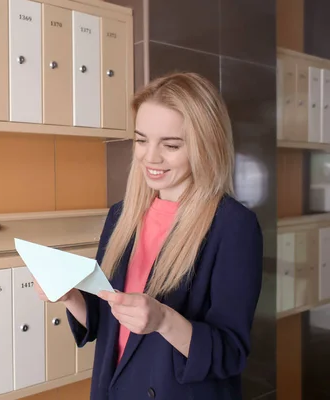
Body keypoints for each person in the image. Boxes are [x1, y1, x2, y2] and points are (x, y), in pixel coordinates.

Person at [33, 72, 263, 399]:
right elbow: (107, 320)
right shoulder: (122, 215)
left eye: (170, 145)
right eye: (141, 140)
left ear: (205, 146)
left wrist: (164, 320)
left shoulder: (233, 226)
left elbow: (230, 352)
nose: (150, 157)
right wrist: (69, 295)